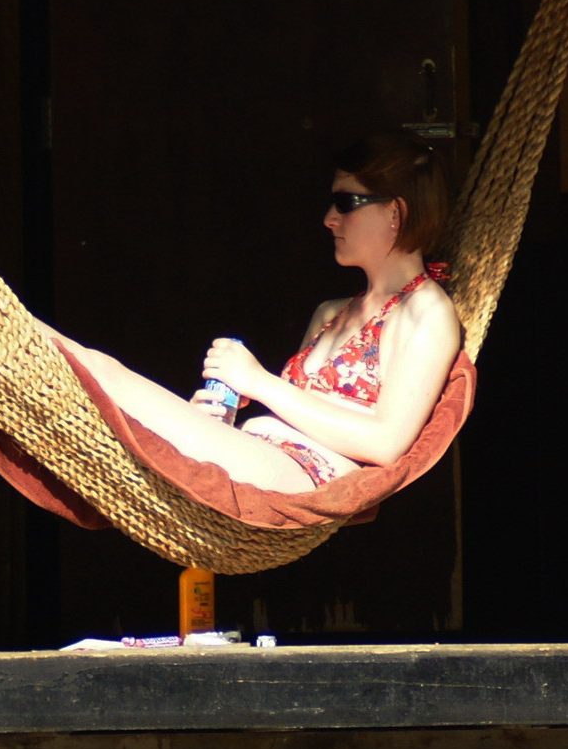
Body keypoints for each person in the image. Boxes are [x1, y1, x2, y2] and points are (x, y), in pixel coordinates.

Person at [64, 129, 465, 494]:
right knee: (99, 375)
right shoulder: (331, 313)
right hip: (261, 453)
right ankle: (28, 348)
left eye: (346, 202)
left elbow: (387, 443)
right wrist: (217, 415)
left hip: (306, 478)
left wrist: (258, 382)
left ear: (396, 212)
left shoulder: (426, 311)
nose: (329, 219)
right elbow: (296, 413)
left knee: (107, 380)